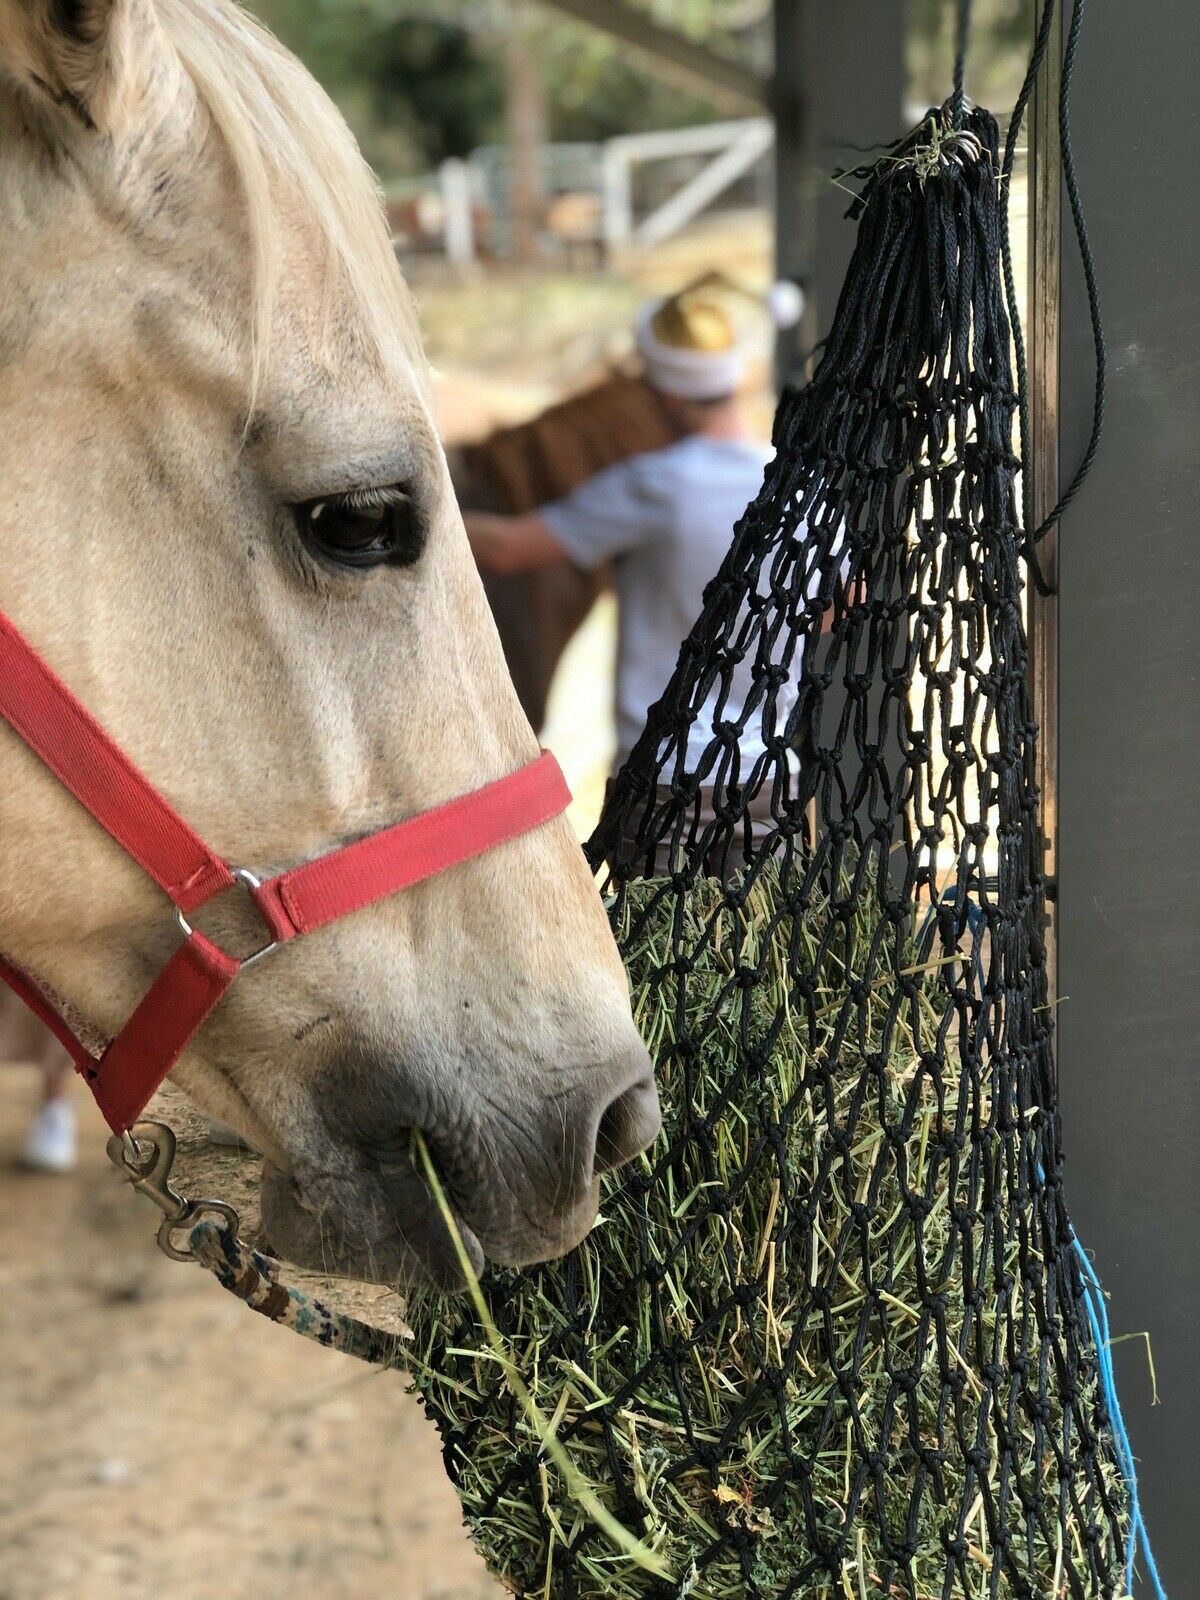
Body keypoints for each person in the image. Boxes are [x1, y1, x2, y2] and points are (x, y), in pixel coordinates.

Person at [465, 283, 838, 859]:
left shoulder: (653, 485)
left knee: (658, 943)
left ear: (662, 394)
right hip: (769, 780)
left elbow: (509, 550)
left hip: (663, 783)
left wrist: (417, 504)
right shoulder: (802, 490)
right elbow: (833, 612)